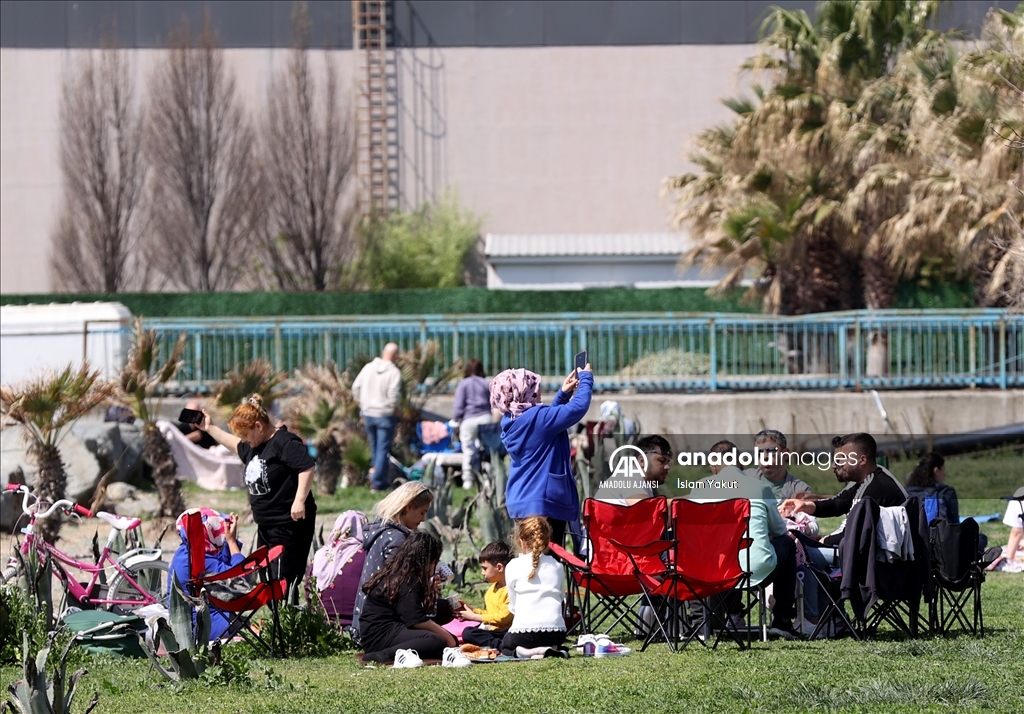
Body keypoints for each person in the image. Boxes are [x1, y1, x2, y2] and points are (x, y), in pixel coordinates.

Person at [198, 395, 316, 586]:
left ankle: (288, 613)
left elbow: (306, 467)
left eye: (245, 435)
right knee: (266, 575)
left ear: (259, 426)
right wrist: (209, 428)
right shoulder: (254, 445)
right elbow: (235, 445)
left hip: (289, 524)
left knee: (284, 578)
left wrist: (299, 500)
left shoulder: (284, 442)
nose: (243, 440)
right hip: (266, 525)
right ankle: (276, 613)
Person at [700, 440, 801, 640]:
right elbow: (779, 529)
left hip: (712, 571)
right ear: (742, 464)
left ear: (713, 466)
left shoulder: (700, 488)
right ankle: (782, 620)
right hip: (758, 569)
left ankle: (725, 616)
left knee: (725, 555)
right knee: (787, 543)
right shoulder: (760, 487)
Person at [491, 364, 593, 547]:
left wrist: (562, 395)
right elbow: (578, 407)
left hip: (521, 500)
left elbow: (545, 425)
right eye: (534, 389)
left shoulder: (511, 421)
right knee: (548, 563)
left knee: (530, 561)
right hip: (545, 503)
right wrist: (586, 378)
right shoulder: (540, 420)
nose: (538, 392)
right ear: (524, 394)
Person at [351, 482, 455, 642]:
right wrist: (426, 586)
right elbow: (401, 587)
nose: (423, 518)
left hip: (366, 618)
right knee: (436, 638)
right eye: (422, 512)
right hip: (383, 621)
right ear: (408, 507)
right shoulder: (397, 539)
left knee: (444, 609)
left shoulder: (382, 532)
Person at [782, 433, 908, 547]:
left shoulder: (875, 487)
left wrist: (823, 541)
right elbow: (839, 503)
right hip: (863, 548)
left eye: (840, 460)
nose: (834, 465)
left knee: (793, 552)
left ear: (862, 460)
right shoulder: (863, 480)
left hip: (876, 560)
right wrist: (805, 505)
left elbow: (853, 532)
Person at [359, 532, 459, 664]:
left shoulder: (404, 573)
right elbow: (415, 619)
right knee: (437, 641)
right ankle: (382, 656)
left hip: (392, 626)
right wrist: (446, 636)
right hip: (380, 635)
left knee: (444, 608)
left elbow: (413, 607)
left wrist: (428, 589)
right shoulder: (407, 579)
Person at [168, 508, 243, 642]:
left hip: (191, 620)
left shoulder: (185, 552)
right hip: (204, 625)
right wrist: (231, 542)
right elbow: (241, 578)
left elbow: (223, 565)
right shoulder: (202, 560)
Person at [500, 517, 568, 658]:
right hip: (557, 633)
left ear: (521, 540)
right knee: (554, 642)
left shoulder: (513, 565)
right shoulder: (558, 566)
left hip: (524, 634)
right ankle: (550, 648)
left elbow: (513, 606)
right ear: (547, 540)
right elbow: (561, 598)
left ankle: (526, 652)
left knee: (505, 644)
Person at [352, 343, 402, 492]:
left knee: (375, 449)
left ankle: (375, 477)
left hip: (368, 413)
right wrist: (393, 408)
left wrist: (363, 403)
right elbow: (394, 395)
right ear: (396, 356)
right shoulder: (394, 372)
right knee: (382, 449)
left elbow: (356, 387)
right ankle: (378, 482)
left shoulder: (368, 367)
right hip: (385, 414)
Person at [455, 540, 514, 648]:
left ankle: (501, 646)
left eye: (485, 568)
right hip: (494, 632)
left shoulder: (511, 590)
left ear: (499, 567)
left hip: (510, 631)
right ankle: (499, 644)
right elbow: (489, 613)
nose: (482, 573)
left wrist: (474, 617)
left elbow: (504, 618)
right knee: (468, 632)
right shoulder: (491, 590)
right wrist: (471, 609)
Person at [594, 434, 673, 506]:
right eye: (661, 461)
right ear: (642, 461)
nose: (667, 467)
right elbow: (648, 508)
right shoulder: (629, 477)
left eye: (668, 462)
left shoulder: (643, 482)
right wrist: (684, 500)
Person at [451, 358, 493, 489]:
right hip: (485, 418)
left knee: (468, 450)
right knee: (486, 450)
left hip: (469, 420)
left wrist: (456, 420)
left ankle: (467, 480)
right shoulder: (486, 383)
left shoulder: (464, 383)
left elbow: (459, 405)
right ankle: (487, 479)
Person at [744, 429, 813, 501]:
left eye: (771, 450)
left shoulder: (799, 490)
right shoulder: (744, 477)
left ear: (785, 454)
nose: (765, 457)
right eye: (759, 452)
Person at [904, 452, 959, 524]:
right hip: (938, 533)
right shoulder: (945, 492)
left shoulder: (906, 492)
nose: (944, 475)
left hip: (910, 533)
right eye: (943, 471)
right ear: (936, 471)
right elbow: (954, 524)